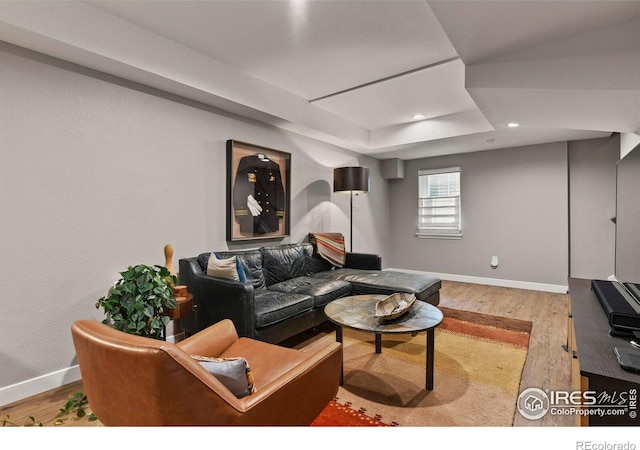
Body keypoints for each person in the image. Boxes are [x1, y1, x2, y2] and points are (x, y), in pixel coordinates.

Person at [233, 153, 285, 235]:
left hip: (269, 217)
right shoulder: (246, 163)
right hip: (250, 216)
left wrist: (279, 213)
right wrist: (241, 212)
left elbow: (279, 191)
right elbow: (239, 187)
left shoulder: (274, 166)